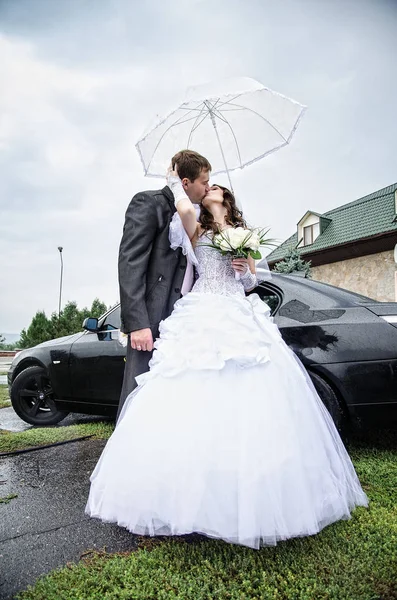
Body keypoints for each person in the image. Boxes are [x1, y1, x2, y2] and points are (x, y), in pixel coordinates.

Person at [86, 168, 368, 549]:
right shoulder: (195, 227)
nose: (211, 186)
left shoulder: (244, 234)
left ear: (228, 199)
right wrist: (175, 181)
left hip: (238, 311)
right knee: (189, 391)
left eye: (216, 185)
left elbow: (251, 282)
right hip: (202, 311)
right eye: (207, 182)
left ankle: (247, 491)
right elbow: (184, 208)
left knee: (253, 395)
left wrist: (243, 269)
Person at [116, 150, 211, 420]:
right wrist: (137, 324)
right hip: (152, 320)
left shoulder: (199, 215)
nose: (207, 186)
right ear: (185, 182)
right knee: (139, 389)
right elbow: (130, 263)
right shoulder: (149, 203)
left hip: (186, 321)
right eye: (204, 181)